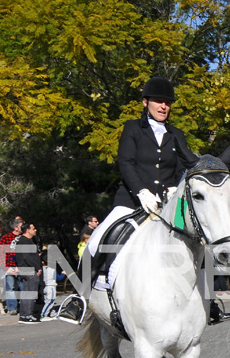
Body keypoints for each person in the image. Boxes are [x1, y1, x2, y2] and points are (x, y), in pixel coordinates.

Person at [58, 76, 200, 323]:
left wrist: (173, 191)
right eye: (158, 101)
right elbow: (126, 162)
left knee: (198, 241)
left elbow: (181, 169)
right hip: (131, 201)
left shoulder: (177, 134)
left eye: (167, 102)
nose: (163, 106)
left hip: (166, 206)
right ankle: (78, 298)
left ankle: (207, 300)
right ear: (146, 102)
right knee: (97, 241)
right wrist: (141, 191)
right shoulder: (132, 128)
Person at [14, 222, 43, 324]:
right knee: (30, 293)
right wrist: (37, 268)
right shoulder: (24, 241)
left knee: (27, 292)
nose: (35, 230)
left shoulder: (24, 241)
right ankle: (26, 316)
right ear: (27, 230)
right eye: (33, 228)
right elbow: (27, 257)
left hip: (27, 269)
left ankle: (25, 315)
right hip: (29, 270)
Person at [0, 218, 23, 316]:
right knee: (10, 287)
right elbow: (0, 253)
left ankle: (25, 306)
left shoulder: (24, 238)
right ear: (16, 227)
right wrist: (6, 267)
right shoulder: (6, 238)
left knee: (23, 286)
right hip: (9, 266)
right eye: (21, 226)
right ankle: (12, 308)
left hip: (21, 266)